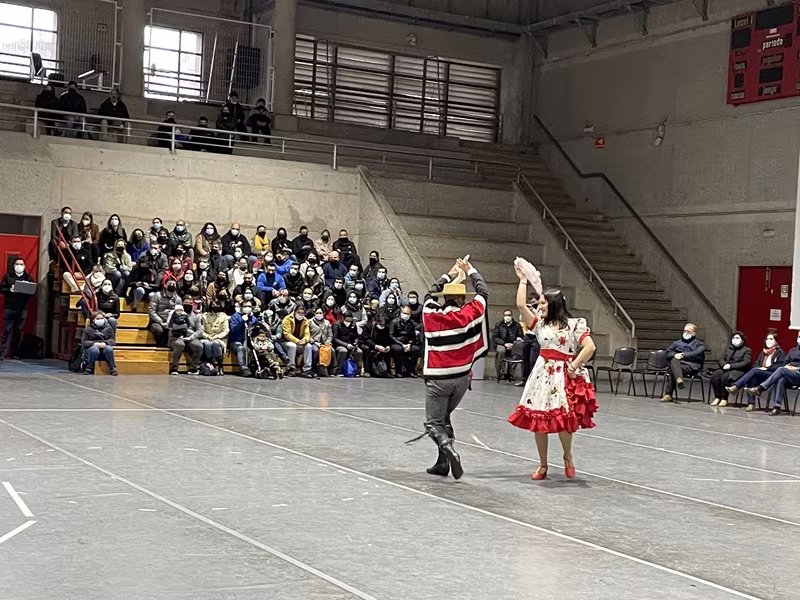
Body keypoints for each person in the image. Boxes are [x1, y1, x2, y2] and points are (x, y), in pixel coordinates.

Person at [508, 263, 597, 481]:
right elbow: (520, 305)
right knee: (539, 419)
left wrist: (573, 366)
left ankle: (567, 456)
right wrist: (523, 280)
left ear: (554, 304)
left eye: (543, 303)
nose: (539, 306)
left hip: (563, 375)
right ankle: (543, 464)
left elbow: (590, 347)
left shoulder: (574, 325)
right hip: (542, 375)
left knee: (564, 419)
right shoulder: (539, 324)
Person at [416, 258, 489, 480]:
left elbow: (429, 293)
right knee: (445, 417)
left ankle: (448, 449)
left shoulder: (431, 313)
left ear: (443, 297)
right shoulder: (470, 313)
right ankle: (442, 463)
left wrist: (449, 274)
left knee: (433, 423)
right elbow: (483, 292)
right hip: (462, 379)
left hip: (438, 378)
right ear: (461, 299)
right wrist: (470, 270)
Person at [726, 332, 785, 411]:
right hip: (761, 373)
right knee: (751, 379)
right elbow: (756, 364)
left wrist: (767, 368)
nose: (768, 341)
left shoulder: (780, 352)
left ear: (776, 341)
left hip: (772, 375)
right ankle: (751, 403)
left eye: (771, 339)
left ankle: (736, 386)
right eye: (767, 339)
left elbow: (780, 366)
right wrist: (760, 368)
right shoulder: (763, 352)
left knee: (754, 371)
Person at [744, 336, 800, 416]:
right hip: (790, 374)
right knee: (781, 379)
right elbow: (784, 363)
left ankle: (760, 388)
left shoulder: (780, 352)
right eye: (799, 336)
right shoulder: (793, 350)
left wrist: (797, 368)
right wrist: (787, 366)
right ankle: (776, 407)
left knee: (781, 370)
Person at [661, 323, 706, 403]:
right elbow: (668, 353)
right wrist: (675, 354)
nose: (685, 333)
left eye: (688, 331)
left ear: (693, 333)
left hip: (691, 366)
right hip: (679, 365)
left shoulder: (699, 344)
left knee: (672, 368)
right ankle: (679, 379)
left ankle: (668, 394)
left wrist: (682, 355)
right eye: (684, 331)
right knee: (674, 360)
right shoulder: (677, 342)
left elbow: (696, 353)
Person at [1, 258, 34, 360]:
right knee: (6, 330)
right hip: (9, 307)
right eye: (17, 264)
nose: (19, 266)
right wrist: (10, 290)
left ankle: (15, 353)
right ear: (14, 265)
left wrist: (27, 290)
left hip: (22, 308)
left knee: (18, 331)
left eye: (21, 264)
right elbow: (1, 289)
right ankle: (2, 353)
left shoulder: (28, 277)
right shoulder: (8, 276)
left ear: (24, 266)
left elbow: (33, 292)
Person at [709, 331, 753, 407]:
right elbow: (721, 358)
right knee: (716, 375)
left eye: (737, 338)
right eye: (734, 338)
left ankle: (724, 398)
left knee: (725, 377)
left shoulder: (747, 350)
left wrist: (731, 366)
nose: (735, 339)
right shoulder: (729, 348)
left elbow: (746, 362)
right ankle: (717, 397)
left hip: (739, 370)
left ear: (742, 340)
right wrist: (724, 365)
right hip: (726, 368)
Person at [166, 299, 204, 375]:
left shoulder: (196, 316)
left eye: (190, 303)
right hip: (175, 336)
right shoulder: (173, 313)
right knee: (180, 344)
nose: (188, 304)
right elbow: (168, 326)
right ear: (182, 303)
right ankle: (174, 368)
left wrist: (191, 337)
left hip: (190, 337)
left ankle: (193, 368)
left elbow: (200, 330)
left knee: (199, 346)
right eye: (186, 303)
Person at [229, 300, 259, 377]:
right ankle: (243, 368)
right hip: (236, 341)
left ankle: (255, 367)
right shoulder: (235, 316)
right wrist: (242, 321)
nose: (247, 308)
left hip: (249, 341)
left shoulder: (254, 318)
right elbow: (233, 330)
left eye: (249, 306)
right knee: (241, 348)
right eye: (245, 306)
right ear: (241, 307)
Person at [281, 305, 312, 377]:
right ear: (295, 312)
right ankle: (291, 368)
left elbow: (307, 333)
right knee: (292, 345)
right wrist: (297, 341)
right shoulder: (287, 319)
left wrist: (305, 340)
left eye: (302, 313)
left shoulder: (305, 321)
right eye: (299, 312)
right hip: (286, 342)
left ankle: (307, 369)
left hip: (300, 342)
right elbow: (287, 334)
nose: (300, 314)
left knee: (308, 346)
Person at [127, 246, 161, 311]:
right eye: (142, 264)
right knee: (140, 290)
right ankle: (135, 305)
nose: (144, 266)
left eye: (146, 264)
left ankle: (152, 310)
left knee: (152, 295)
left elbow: (157, 285)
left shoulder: (153, 272)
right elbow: (128, 282)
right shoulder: (136, 271)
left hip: (149, 290)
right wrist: (136, 283)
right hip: (137, 290)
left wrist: (148, 285)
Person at [390, 306, 420, 378]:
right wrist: (402, 344)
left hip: (408, 343)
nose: (406, 315)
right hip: (397, 342)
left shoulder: (411, 323)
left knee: (416, 349)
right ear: (401, 313)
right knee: (398, 349)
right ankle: (398, 371)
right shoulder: (394, 322)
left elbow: (413, 336)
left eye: (407, 314)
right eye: (404, 313)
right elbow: (391, 335)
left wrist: (409, 344)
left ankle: (411, 370)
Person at [494, 309, 524, 381]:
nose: (507, 317)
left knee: (517, 353)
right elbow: (495, 338)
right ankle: (503, 372)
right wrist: (504, 344)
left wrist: (514, 343)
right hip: (502, 344)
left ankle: (511, 373)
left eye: (509, 315)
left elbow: (520, 336)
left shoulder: (517, 325)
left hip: (513, 344)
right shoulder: (499, 325)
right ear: (503, 316)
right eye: (506, 315)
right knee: (501, 351)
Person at [148, 280, 180, 346]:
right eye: (170, 283)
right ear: (165, 285)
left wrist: (170, 323)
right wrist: (160, 321)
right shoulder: (157, 295)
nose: (172, 285)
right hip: (157, 322)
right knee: (158, 330)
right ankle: (161, 347)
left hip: (171, 323)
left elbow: (179, 313)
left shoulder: (178, 299)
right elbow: (151, 310)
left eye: (174, 284)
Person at [333, 311, 363, 376]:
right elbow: (335, 338)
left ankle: (355, 370)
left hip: (351, 344)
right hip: (340, 344)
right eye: (347, 321)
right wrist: (346, 345)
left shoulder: (353, 325)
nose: (348, 322)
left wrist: (355, 343)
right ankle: (339, 370)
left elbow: (356, 336)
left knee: (359, 352)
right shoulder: (337, 325)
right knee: (343, 351)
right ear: (343, 318)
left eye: (350, 321)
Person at [202, 302, 229, 374]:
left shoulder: (224, 316)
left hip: (220, 338)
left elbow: (226, 330)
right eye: (213, 305)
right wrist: (207, 336)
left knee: (216, 343)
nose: (216, 306)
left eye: (217, 305)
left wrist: (217, 336)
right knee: (207, 344)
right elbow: (201, 330)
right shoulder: (204, 316)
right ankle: (210, 363)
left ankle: (220, 364)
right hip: (207, 337)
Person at [308, 307, 332, 378]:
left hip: (324, 343)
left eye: (320, 313)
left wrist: (327, 343)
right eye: (317, 313)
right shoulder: (309, 322)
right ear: (314, 313)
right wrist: (314, 342)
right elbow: (307, 335)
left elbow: (330, 335)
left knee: (332, 350)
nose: (319, 314)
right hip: (314, 342)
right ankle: (313, 369)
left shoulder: (327, 323)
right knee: (315, 350)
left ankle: (328, 370)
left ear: (323, 313)